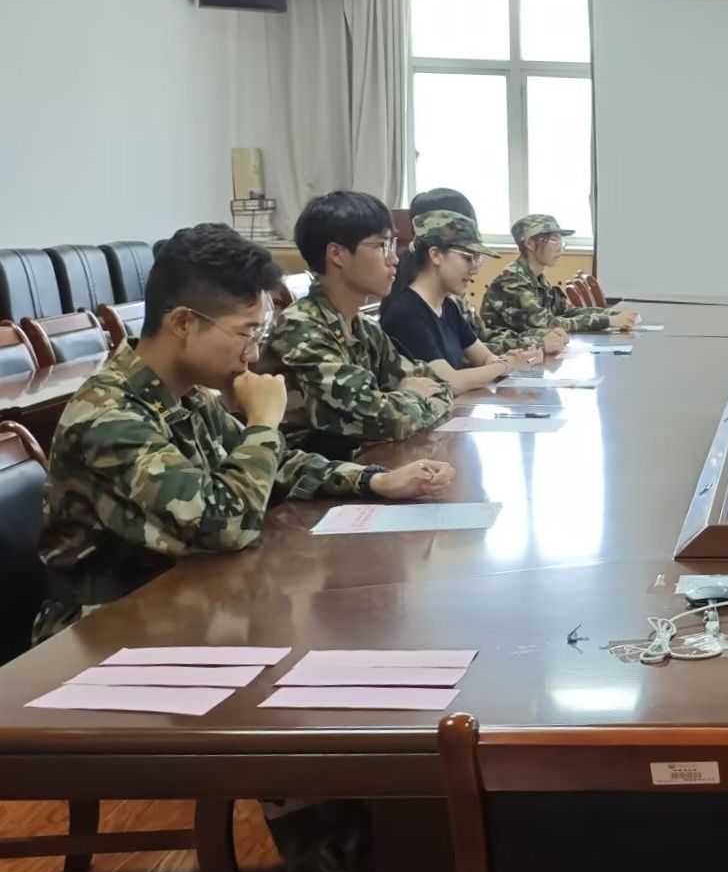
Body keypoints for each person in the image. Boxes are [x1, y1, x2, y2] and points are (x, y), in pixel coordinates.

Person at [34, 223, 455, 633]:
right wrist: (264, 422)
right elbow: (223, 524)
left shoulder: (185, 394)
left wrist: (372, 481)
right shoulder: (111, 417)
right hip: (106, 629)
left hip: (188, 599)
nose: (253, 353)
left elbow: (274, 466)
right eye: (246, 333)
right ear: (183, 323)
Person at [261, 190, 454, 460]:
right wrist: (408, 396)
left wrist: (403, 397)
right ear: (337, 254)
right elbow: (384, 420)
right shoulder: (300, 329)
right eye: (381, 246)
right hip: (306, 477)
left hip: (359, 465)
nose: (394, 259)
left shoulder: (364, 328)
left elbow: (439, 386)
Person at [380, 211, 544, 392]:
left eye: (477, 259)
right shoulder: (405, 313)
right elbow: (450, 382)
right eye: (467, 258)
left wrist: (514, 359)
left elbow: (484, 358)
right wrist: (506, 365)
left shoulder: (448, 306)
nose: (475, 269)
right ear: (435, 255)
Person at [395, 188, 567, 357]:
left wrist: (537, 339)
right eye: (467, 255)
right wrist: (536, 344)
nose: (475, 268)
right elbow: (461, 357)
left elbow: (478, 336)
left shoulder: (448, 298)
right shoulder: (413, 304)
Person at [481, 213, 639, 335]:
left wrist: (615, 315)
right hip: (508, 358)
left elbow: (568, 311)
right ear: (529, 243)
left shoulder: (537, 278)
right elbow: (547, 324)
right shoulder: (513, 280)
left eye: (560, 241)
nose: (559, 248)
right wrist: (608, 321)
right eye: (553, 240)